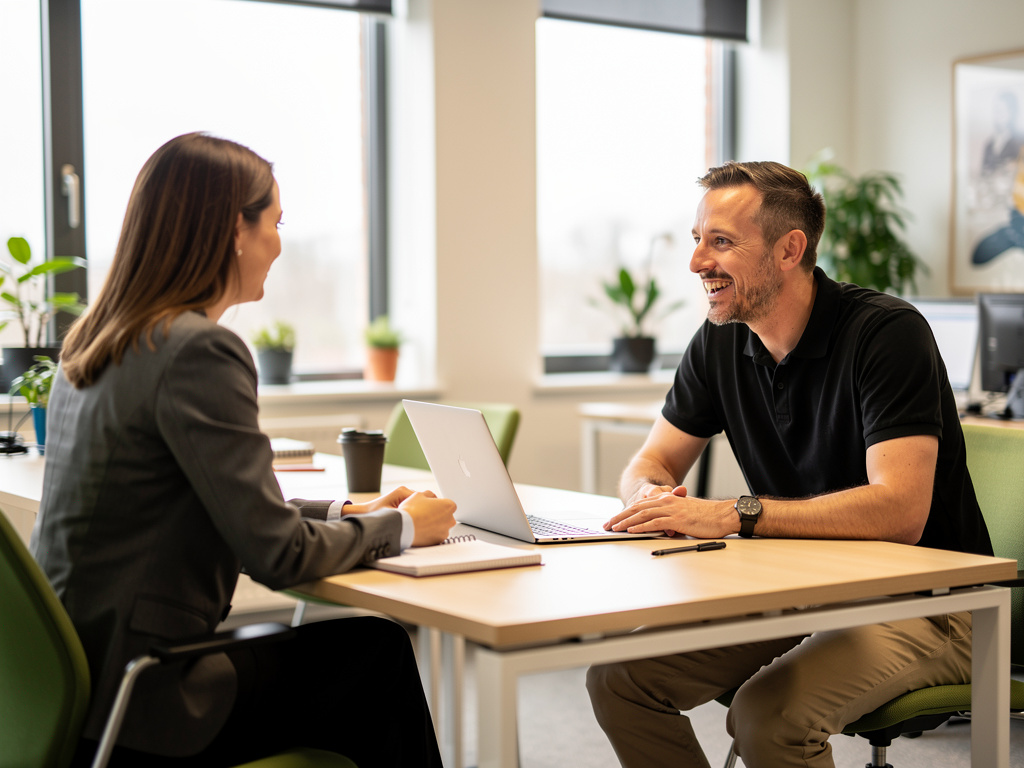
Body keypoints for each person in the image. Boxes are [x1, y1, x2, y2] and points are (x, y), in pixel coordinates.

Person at [31, 132, 457, 768]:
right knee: (380, 653)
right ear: (236, 228)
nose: (280, 244)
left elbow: (225, 505)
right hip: (147, 699)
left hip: (74, 686)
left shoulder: (92, 348)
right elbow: (278, 554)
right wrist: (396, 527)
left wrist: (348, 514)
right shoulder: (199, 350)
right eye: (276, 222)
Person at [585, 160, 992, 768]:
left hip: (932, 603)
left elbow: (901, 509)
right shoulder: (720, 340)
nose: (698, 262)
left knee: (766, 716)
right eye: (699, 240)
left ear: (789, 249)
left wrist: (733, 513)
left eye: (720, 242)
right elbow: (653, 459)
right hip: (799, 590)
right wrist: (651, 496)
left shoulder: (886, 333)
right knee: (620, 680)